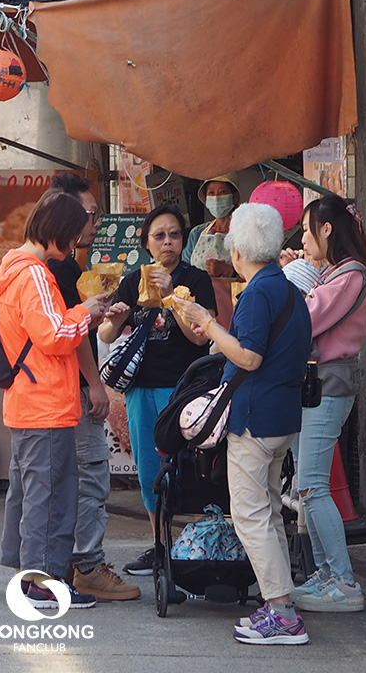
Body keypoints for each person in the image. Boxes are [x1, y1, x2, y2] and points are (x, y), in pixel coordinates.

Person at [174, 203, 313, 645]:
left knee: (250, 515)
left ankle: (282, 612)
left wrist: (207, 324)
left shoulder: (256, 293)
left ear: (236, 251)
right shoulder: (288, 288)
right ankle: (280, 601)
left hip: (254, 418)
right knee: (269, 511)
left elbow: (249, 356)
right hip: (282, 416)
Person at [0, 190, 110, 609]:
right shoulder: (35, 275)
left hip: (26, 401)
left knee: (29, 492)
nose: (74, 248)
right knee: (51, 495)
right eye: (74, 239)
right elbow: (54, 335)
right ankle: (41, 582)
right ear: (60, 232)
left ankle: (29, 572)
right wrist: (87, 313)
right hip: (45, 404)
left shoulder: (10, 268)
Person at [97, 204, 216, 575]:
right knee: (150, 470)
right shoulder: (134, 281)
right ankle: (160, 547)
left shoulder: (196, 281)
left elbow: (200, 340)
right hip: (141, 389)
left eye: (175, 235)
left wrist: (174, 298)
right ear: (147, 243)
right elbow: (103, 334)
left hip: (184, 390)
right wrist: (114, 322)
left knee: (190, 470)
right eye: (160, 236)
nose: (168, 242)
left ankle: (199, 547)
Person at [276, 194, 366, 613]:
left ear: (328, 230)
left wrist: (289, 277)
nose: (303, 238)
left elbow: (307, 318)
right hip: (316, 385)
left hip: (329, 385)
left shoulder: (352, 275)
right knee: (309, 484)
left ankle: (343, 580)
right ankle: (325, 573)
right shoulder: (339, 272)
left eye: (306, 229)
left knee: (313, 486)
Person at [46, 172, 141, 601]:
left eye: (96, 213)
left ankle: (64, 565)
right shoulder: (59, 267)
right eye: (88, 213)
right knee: (91, 474)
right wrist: (95, 386)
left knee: (67, 479)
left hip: (52, 394)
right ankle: (87, 564)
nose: (94, 222)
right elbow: (72, 336)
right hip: (71, 390)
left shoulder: (55, 263)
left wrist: (103, 318)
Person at [183, 170, 262, 277]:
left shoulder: (245, 233)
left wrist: (228, 271)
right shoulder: (197, 233)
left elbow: (257, 274)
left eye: (223, 192)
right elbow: (184, 269)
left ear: (234, 197)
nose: (216, 197)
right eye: (211, 193)